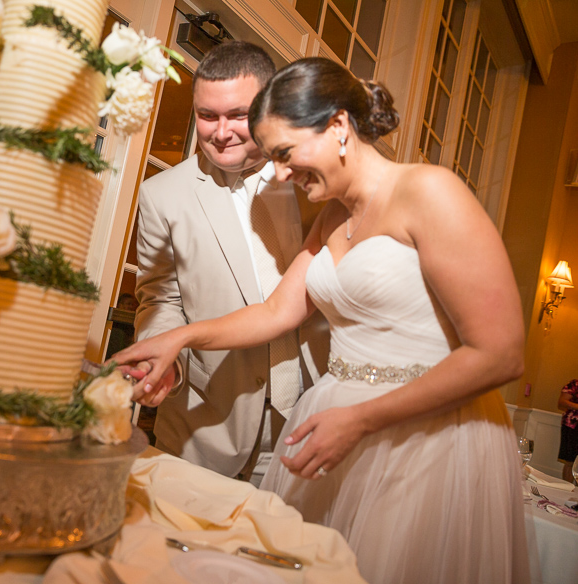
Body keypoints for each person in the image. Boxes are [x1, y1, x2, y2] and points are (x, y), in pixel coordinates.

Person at [115, 57, 530, 583]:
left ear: (337, 126)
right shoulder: (336, 212)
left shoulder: (431, 192)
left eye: (285, 154)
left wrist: (360, 419)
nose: (280, 174)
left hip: (426, 435)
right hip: (337, 425)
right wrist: (179, 338)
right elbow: (276, 311)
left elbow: (501, 354)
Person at [130, 40, 324, 484]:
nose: (221, 132)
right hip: (208, 423)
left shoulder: (317, 181)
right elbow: (159, 298)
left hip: (313, 419)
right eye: (207, 116)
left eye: (238, 115)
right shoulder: (162, 196)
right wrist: (170, 362)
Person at [558, 378, 578, 482]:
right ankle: (568, 490)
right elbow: (561, 402)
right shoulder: (575, 384)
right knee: (570, 461)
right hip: (573, 426)